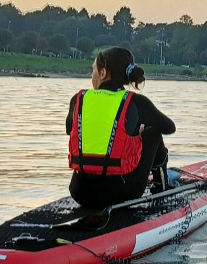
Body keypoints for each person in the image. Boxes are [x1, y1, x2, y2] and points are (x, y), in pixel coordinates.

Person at [67, 47, 175, 210]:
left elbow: (70, 129)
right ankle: (161, 183)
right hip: (122, 191)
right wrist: (138, 130)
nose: (92, 75)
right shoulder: (137, 102)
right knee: (153, 131)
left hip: (80, 192)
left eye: (93, 70)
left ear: (103, 73)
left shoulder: (78, 99)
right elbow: (169, 127)